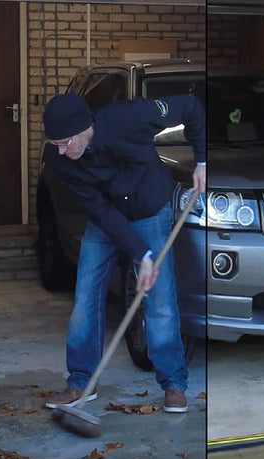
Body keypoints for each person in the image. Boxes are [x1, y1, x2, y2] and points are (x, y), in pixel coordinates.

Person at [41, 91, 206, 414]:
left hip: (149, 209)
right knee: (86, 297)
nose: (59, 150)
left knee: (160, 300)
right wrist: (140, 254)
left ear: (84, 128)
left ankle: (173, 383)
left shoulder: (131, 117)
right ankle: (81, 382)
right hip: (106, 219)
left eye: (64, 142)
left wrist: (202, 161)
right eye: (55, 143)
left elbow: (190, 106)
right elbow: (99, 210)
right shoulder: (61, 161)